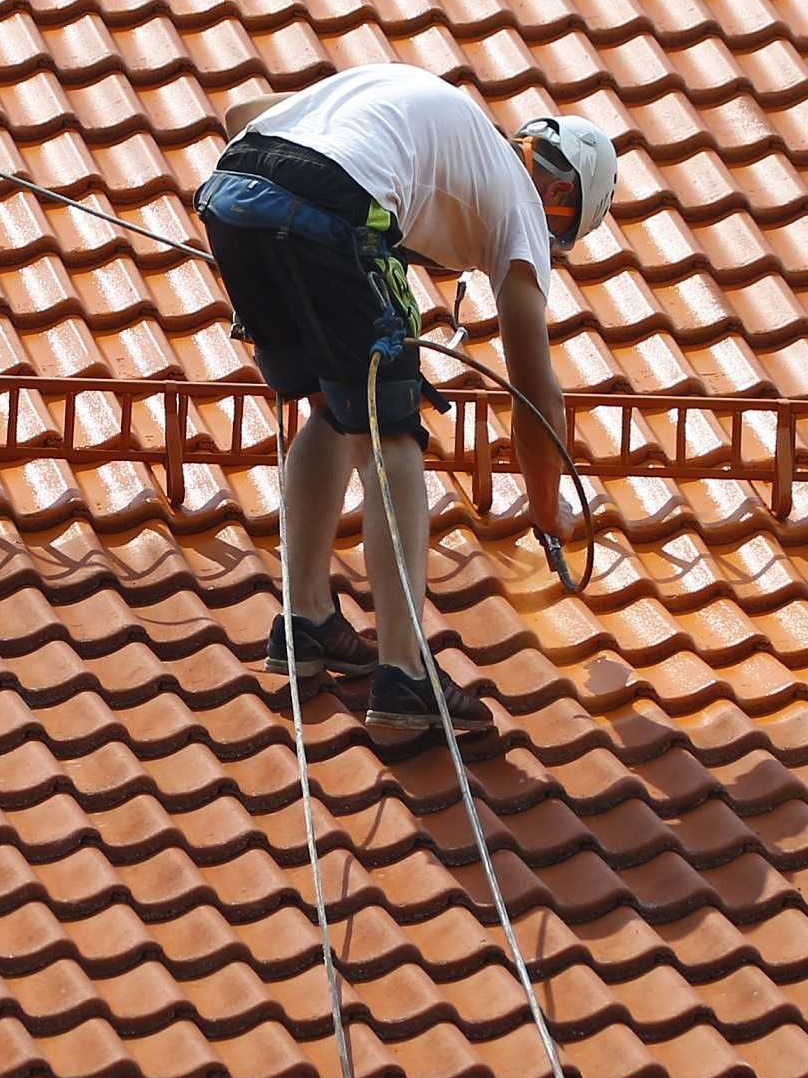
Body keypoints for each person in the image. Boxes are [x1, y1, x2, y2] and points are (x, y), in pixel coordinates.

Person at [194, 60, 624, 746]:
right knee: (390, 430)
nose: (546, 203)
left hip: (234, 193)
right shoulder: (518, 210)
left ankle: (305, 620)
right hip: (332, 208)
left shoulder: (450, 134)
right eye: (559, 205)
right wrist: (548, 516)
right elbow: (534, 388)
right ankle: (403, 671)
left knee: (338, 408)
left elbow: (243, 112)